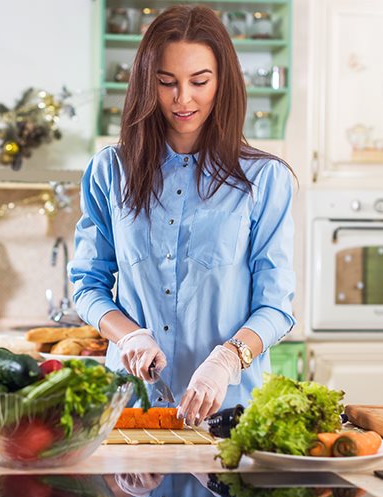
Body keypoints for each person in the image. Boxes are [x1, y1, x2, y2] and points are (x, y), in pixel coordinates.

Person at [69, 5, 296, 426]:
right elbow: (86, 285)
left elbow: (276, 306)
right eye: (167, 82)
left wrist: (230, 357)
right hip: (130, 409)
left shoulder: (266, 179)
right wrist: (129, 336)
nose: (182, 98)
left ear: (223, 83)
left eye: (199, 81)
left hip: (229, 413)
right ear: (145, 84)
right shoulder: (110, 171)